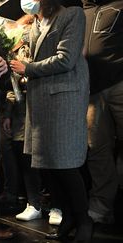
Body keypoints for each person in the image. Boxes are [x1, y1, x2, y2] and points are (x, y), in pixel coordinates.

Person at [10, 0, 92, 241]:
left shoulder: (73, 15)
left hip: (63, 99)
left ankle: (84, 220)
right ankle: (68, 217)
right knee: (48, 164)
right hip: (41, 100)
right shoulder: (36, 22)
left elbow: (66, 58)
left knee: (65, 164)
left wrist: (28, 68)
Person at [83, 0, 123, 225]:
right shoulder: (83, 10)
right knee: (97, 149)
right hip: (93, 91)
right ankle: (101, 206)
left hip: (120, 83)